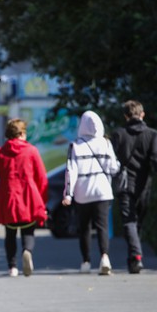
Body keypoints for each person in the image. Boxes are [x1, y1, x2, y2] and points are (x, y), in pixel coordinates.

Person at [0, 119, 48, 277]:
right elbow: (42, 178)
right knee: (28, 230)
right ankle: (27, 250)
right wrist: (42, 200)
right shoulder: (31, 151)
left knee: (10, 234)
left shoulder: (0, 152)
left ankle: (12, 267)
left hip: (8, 197)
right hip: (29, 197)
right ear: (23, 133)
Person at [110, 100, 157, 273]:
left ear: (125, 116)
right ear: (142, 115)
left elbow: (111, 161)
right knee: (136, 222)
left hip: (125, 184)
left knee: (130, 221)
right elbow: (156, 158)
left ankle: (134, 257)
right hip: (144, 184)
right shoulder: (152, 134)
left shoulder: (118, 134)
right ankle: (135, 257)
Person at [62, 111, 120, 275]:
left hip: (82, 192)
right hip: (103, 191)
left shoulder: (75, 145)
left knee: (85, 228)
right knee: (102, 226)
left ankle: (86, 262)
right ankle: (104, 257)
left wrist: (68, 194)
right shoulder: (106, 144)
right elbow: (113, 168)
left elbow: (71, 171)